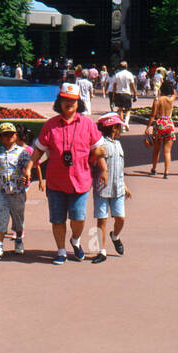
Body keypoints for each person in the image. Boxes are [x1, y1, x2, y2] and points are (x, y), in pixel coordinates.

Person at [29, 83, 106, 265]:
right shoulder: (51, 125)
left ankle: (75, 240)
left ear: (78, 102)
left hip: (80, 180)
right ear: (59, 102)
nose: (68, 104)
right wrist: (29, 166)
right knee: (57, 219)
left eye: (72, 101)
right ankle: (61, 251)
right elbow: (39, 150)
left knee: (78, 218)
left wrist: (104, 170)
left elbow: (99, 149)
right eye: (65, 100)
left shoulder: (87, 124)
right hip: (56, 182)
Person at [0, 122, 33, 258]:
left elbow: (28, 167)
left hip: (17, 192)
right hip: (2, 192)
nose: (8, 137)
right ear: (0, 137)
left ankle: (18, 239)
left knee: (18, 219)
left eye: (11, 134)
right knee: (1, 217)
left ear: (16, 136)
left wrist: (27, 176)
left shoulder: (22, 152)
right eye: (5, 135)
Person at [91, 113, 130, 261]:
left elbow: (119, 168)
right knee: (102, 220)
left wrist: (124, 185)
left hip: (118, 188)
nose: (121, 130)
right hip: (102, 189)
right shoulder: (101, 145)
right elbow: (93, 162)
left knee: (120, 218)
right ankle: (101, 251)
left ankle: (115, 236)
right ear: (114, 128)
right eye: (120, 127)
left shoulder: (118, 144)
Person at [145, 79, 177, 177]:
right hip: (169, 124)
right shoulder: (171, 99)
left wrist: (148, 127)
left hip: (159, 124)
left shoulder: (157, 100)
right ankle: (166, 172)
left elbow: (152, 115)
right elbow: (174, 93)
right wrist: (171, 87)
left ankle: (154, 169)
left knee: (156, 149)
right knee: (167, 151)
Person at [108, 61, 137, 128]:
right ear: (126, 66)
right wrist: (135, 94)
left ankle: (121, 125)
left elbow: (114, 86)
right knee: (128, 109)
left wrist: (113, 96)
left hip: (119, 93)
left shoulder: (117, 74)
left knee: (120, 109)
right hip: (127, 93)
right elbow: (133, 86)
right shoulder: (129, 74)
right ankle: (126, 122)